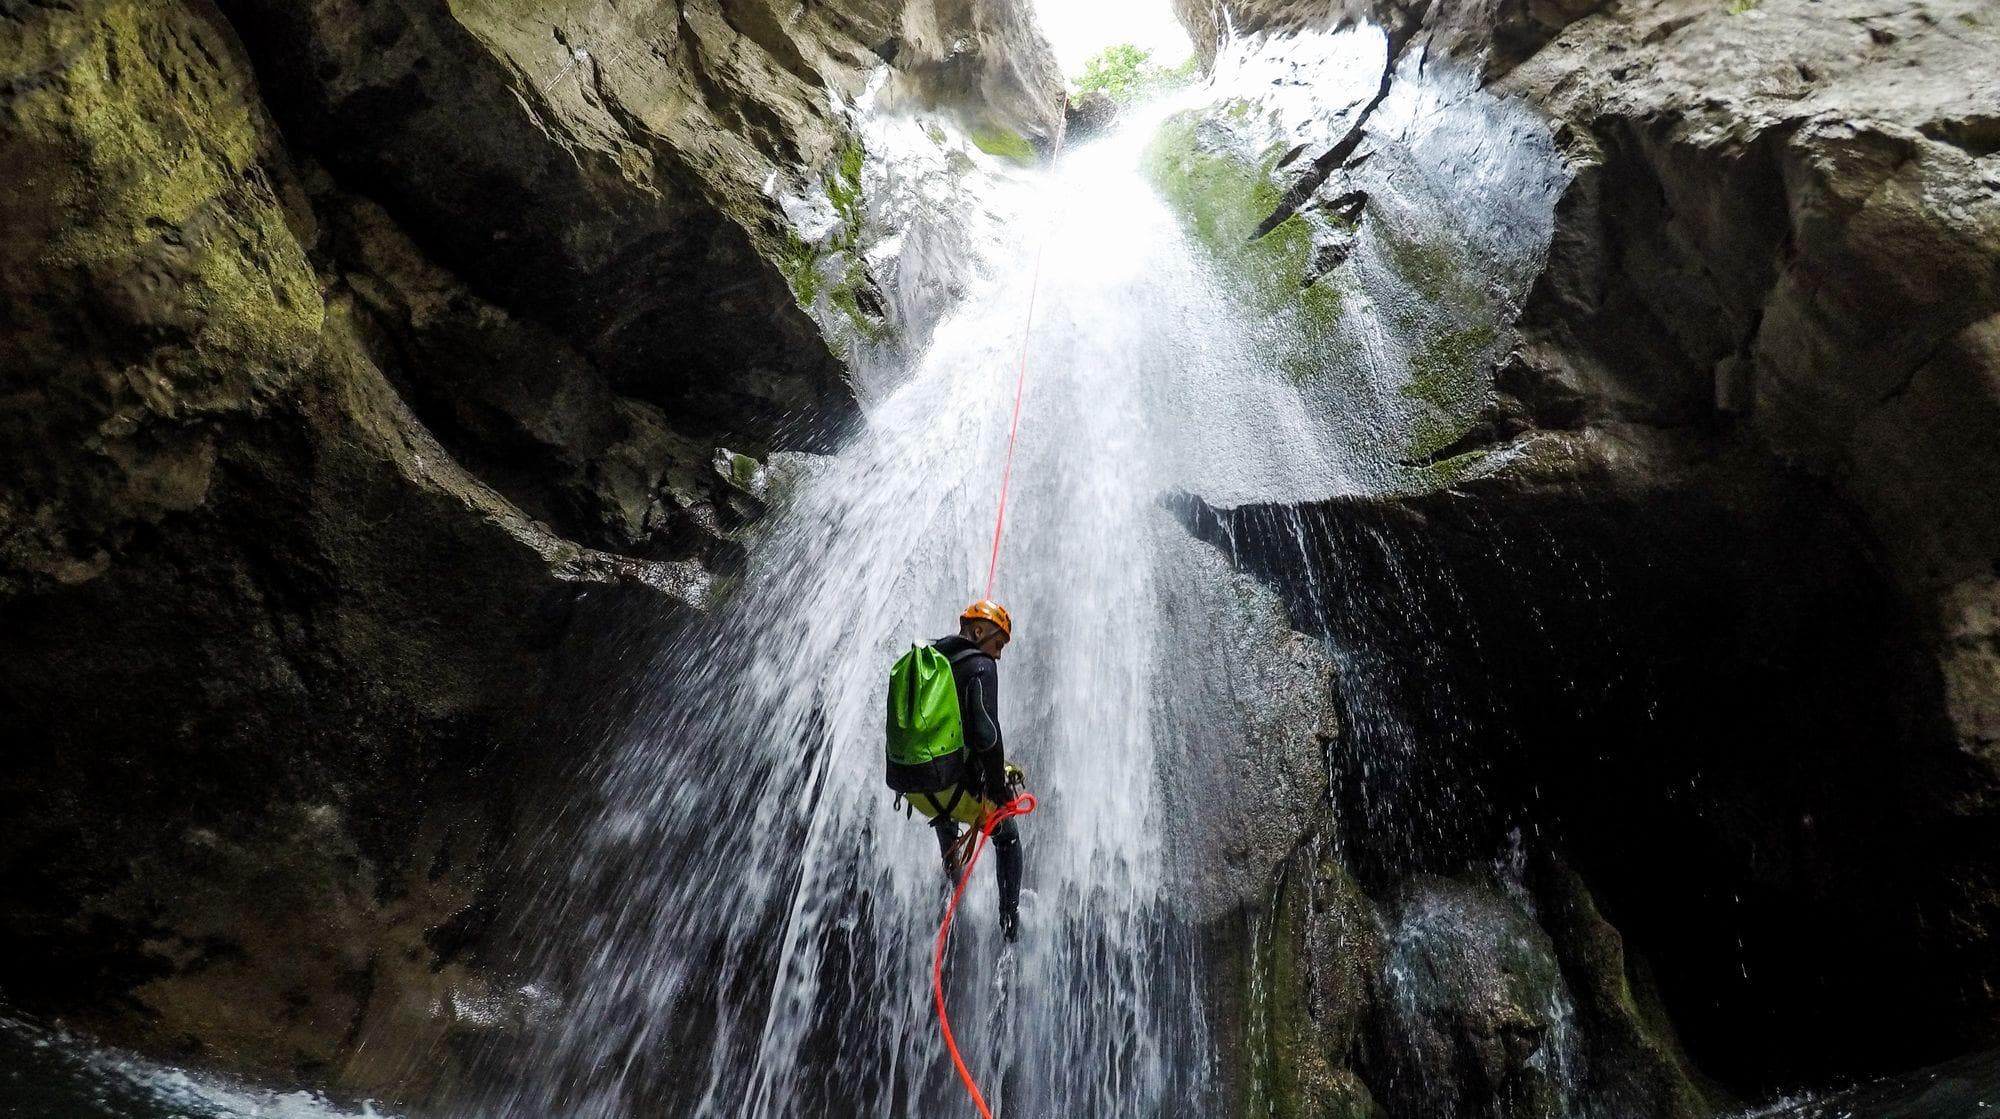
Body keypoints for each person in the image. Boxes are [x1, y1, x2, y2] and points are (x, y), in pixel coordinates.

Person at [906, 599, 1025, 941]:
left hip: (917, 787)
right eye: (998, 645)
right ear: (977, 631)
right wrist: (999, 790)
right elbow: (987, 736)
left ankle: (955, 888)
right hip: (952, 789)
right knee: (1007, 836)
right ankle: (1009, 922)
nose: (998, 655)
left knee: (948, 815)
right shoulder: (981, 665)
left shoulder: (931, 659)